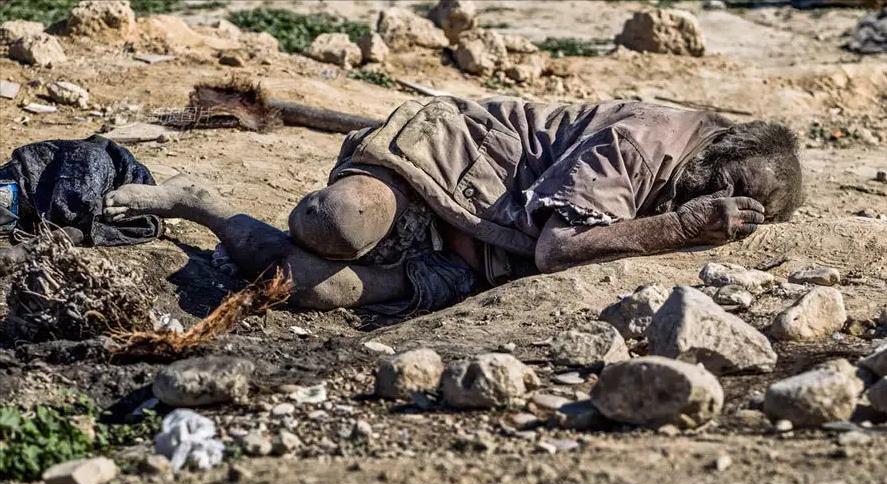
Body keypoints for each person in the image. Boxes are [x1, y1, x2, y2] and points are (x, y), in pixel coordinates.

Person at [102, 96, 804, 313]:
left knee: (309, 289)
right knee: (339, 224)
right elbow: (558, 248)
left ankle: (205, 206)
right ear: (720, 154)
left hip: (478, 256)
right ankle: (333, 202)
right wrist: (679, 227)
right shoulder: (643, 144)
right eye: (731, 191)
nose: (729, 212)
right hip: (448, 163)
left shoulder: (691, 176)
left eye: (752, 213)